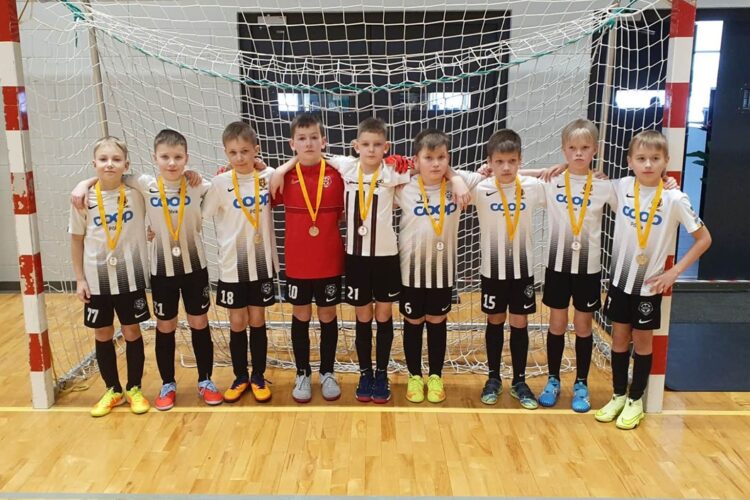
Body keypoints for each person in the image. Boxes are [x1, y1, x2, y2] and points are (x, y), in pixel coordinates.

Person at [72, 129, 221, 409]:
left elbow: (223, 185)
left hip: (195, 268)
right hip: (161, 271)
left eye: (178, 157)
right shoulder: (144, 185)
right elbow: (111, 176)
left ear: (187, 158)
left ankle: (205, 380)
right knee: (165, 326)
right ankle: (167, 384)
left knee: (199, 322)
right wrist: (84, 183)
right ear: (155, 158)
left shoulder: (198, 184)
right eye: (165, 157)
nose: (172, 163)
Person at [595, 130, 711, 429]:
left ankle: (636, 400)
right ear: (630, 161)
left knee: (643, 342)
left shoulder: (675, 197)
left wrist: (674, 272)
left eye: (655, 158)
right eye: (641, 158)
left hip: (649, 286)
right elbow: (585, 181)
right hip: (620, 282)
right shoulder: (621, 187)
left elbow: (704, 239)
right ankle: (618, 395)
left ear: (666, 161)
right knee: (618, 339)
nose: (648, 164)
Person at [395, 128, 479, 404]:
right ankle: (414, 376)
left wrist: (456, 179)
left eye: (441, 157)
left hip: (442, 273)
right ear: (416, 160)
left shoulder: (461, 182)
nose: (435, 164)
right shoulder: (404, 185)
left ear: (448, 158)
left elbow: (501, 174)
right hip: (410, 273)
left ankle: (435, 376)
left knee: (437, 322)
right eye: (428, 158)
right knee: (413, 323)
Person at [69, 136, 151, 417]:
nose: (109, 164)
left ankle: (134, 388)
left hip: (130, 276)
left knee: (131, 331)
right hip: (96, 279)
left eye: (116, 159)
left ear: (126, 164)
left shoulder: (136, 192)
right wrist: (80, 279)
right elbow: (76, 239)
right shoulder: (82, 199)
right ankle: (113, 390)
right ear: (93, 163)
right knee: (102, 333)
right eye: (103, 159)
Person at [271, 112, 345, 403]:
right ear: (292, 144)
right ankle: (302, 372)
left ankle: (327, 372)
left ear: (324, 141)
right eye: (302, 138)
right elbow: (253, 178)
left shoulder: (338, 174)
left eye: (314, 137)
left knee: (328, 315)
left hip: (329, 260)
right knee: (300, 315)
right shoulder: (284, 177)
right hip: (298, 263)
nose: (309, 143)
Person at [202, 121, 278, 403]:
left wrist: (265, 167)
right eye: (233, 152)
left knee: (257, 319)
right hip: (232, 265)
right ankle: (239, 376)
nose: (239, 157)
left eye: (245, 151)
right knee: (237, 321)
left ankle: (258, 376)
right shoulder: (220, 183)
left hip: (261, 263)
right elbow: (200, 213)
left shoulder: (268, 176)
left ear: (256, 150)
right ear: (225, 153)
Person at [472, 129, 546, 409]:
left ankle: (519, 380)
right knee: (494, 320)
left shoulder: (532, 186)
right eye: (499, 162)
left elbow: (563, 179)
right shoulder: (480, 187)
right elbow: (449, 177)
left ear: (520, 161)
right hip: (492, 270)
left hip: (522, 270)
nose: (506, 167)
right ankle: (493, 378)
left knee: (520, 322)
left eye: (512, 161)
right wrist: (480, 173)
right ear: (489, 161)